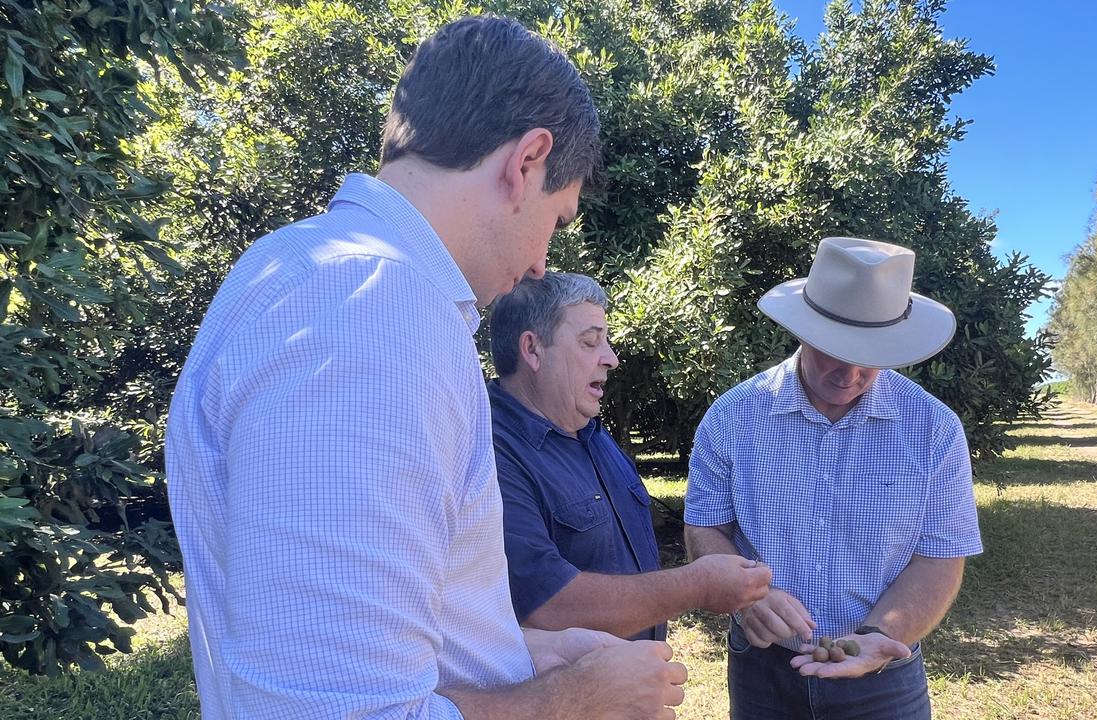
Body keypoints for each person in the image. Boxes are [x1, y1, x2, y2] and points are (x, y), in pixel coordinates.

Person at [165, 15, 686, 720]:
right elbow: (331, 711)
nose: (540, 264)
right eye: (556, 221)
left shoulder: (307, 271)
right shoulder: (371, 308)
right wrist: (572, 699)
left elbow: (361, 649)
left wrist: (519, 653)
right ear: (527, 159)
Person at [683, 237, 984, 720]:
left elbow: (940, 556)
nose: (851, 372)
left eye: (872, 354)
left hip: (885, 671)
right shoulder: (733, 417)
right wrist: (747, 598)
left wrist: (880, 636)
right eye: (833, 350)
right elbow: (705, 527)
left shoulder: (933, 428)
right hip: (763, 666)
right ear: (804, 331)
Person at [486, 272, 772, 641]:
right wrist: (695, 585)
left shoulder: (589, 431)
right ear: (532, 350)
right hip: (562, 697)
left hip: (635, 687)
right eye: (590, 342)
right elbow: (548, 606)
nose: (612, 359)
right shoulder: (493, 451)